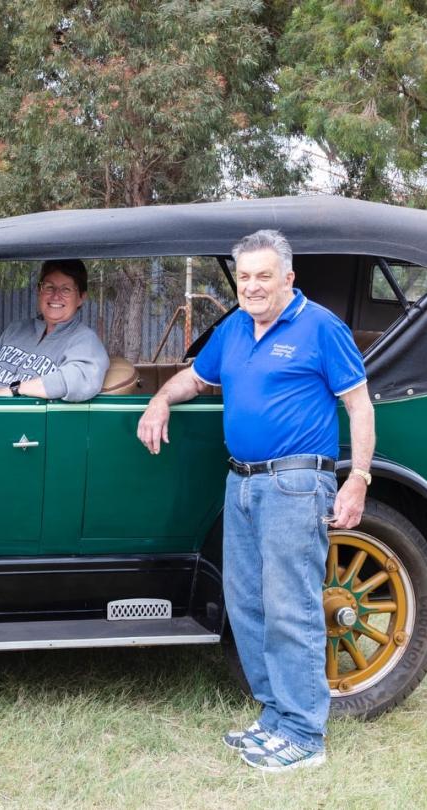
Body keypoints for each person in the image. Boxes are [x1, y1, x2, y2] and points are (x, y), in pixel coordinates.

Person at [137, 229, 374, 772]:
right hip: (240, 482)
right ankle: (274, 718)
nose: (252, 286)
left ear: (288, 277)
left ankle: (304, 735)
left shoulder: (321, 327)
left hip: (295, 483)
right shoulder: (235, 329)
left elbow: (359, 406)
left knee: (291, 608)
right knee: (247, 606)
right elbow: (195, 380)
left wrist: (357, 477)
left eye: (263, 275)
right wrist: (158, 400)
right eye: (244, 277)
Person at [0, 259, 109, 400]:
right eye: (49, 287)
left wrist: (14, 389)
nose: (55, 296)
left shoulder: (85, 341)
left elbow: (78, 380)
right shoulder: (16, 330)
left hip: (28, 425)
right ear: (39, 291)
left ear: (81, 297)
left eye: (66, 289)